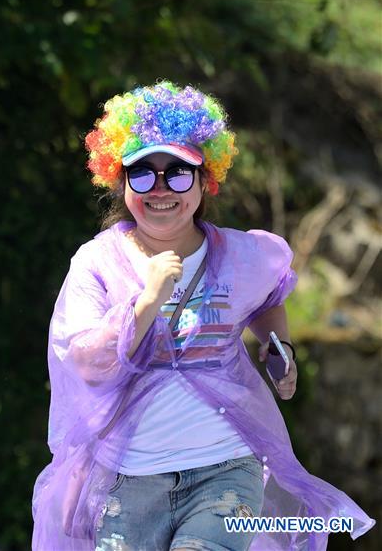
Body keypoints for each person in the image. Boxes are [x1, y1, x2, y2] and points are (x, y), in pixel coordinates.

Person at [31, 82, 375, 550]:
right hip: (127, 482)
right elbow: (86, 363)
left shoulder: (243, 254)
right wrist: (145, 303)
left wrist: (281, 350)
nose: (160, 189)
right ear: (119, 180)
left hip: (227, 470)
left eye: (177, 172)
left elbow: (269, 296)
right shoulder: (96, 264)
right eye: (142, 173)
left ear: (204, 179)